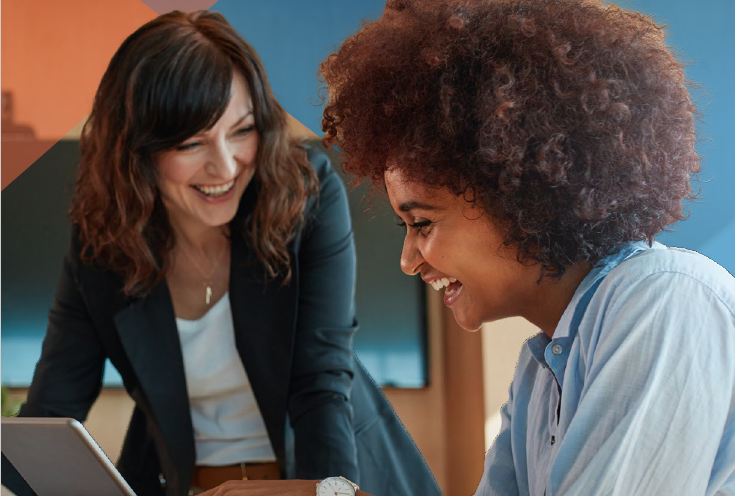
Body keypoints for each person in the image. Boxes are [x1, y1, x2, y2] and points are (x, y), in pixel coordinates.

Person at [196, 0, 735, 494]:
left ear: (521, 194)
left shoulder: (664, 302)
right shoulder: (540, 373)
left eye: (423, 223)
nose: (408, 261)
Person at [0, 10, 439, 496]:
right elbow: (52, 413)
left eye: (241, 130)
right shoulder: (102, 242)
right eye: (192, 142)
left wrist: (321, 492)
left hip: (328, 477)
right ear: (134, 151)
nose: (226, 165)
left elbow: (320, 381)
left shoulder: (305, 194)